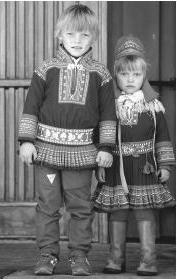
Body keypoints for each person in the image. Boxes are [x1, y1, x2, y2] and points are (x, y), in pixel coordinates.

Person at [18, 4, 116, 276]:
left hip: (83, 154)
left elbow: (108, 114)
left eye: (84, 36)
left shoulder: (101, 74)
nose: (77, 41)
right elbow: (31, 107)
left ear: (93, 38)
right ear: (59, 35)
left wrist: (106, 147)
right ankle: (47, 255)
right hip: (46, 152)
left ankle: (79, 256)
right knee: (47, 205)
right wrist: (26, 140)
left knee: (80, 206)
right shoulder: (46, 69)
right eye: (71, 34)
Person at [93, 35, 175, 276]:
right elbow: (101, 134)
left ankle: (148, 262)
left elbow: (162, 137)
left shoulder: (153, 107)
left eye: (136, 75)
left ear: (144, 76)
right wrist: (100, 160)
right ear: (116, 75)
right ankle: (115, 260)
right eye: (124, 74)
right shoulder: (109, 106)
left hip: (144, 168)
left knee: (144, 213)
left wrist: (166, 165)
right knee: (117, 212)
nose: (130, 80)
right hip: (116, 166)